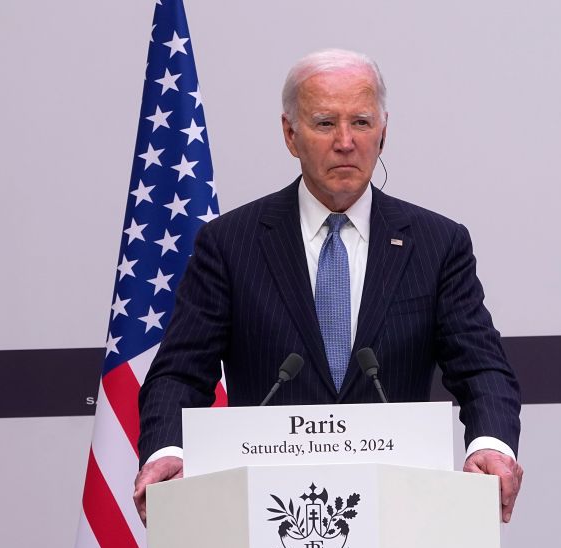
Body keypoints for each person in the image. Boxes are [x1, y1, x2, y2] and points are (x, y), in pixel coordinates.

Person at [134, 48, 523, 523]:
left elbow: (482, 368)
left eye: (361, 122)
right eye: (324, 123)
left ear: (384, 131)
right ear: (290, 134)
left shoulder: (437, 243)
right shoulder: (230, 243)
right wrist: (166, 449)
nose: (345, 141)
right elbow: (180, 374)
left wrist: (490, 444)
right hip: (265, 517)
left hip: (401, 517)